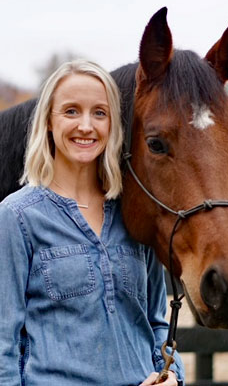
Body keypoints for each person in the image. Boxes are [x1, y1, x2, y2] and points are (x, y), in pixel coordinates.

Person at [0, 59, 185, 386]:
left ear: (113, 124)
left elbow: (156, 322)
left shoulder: (134, 214)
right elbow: (4, 340)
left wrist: (172, 376)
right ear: (47, 121)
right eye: (71, 111)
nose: (86, 125)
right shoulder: (17, 217)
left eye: (99, 113)